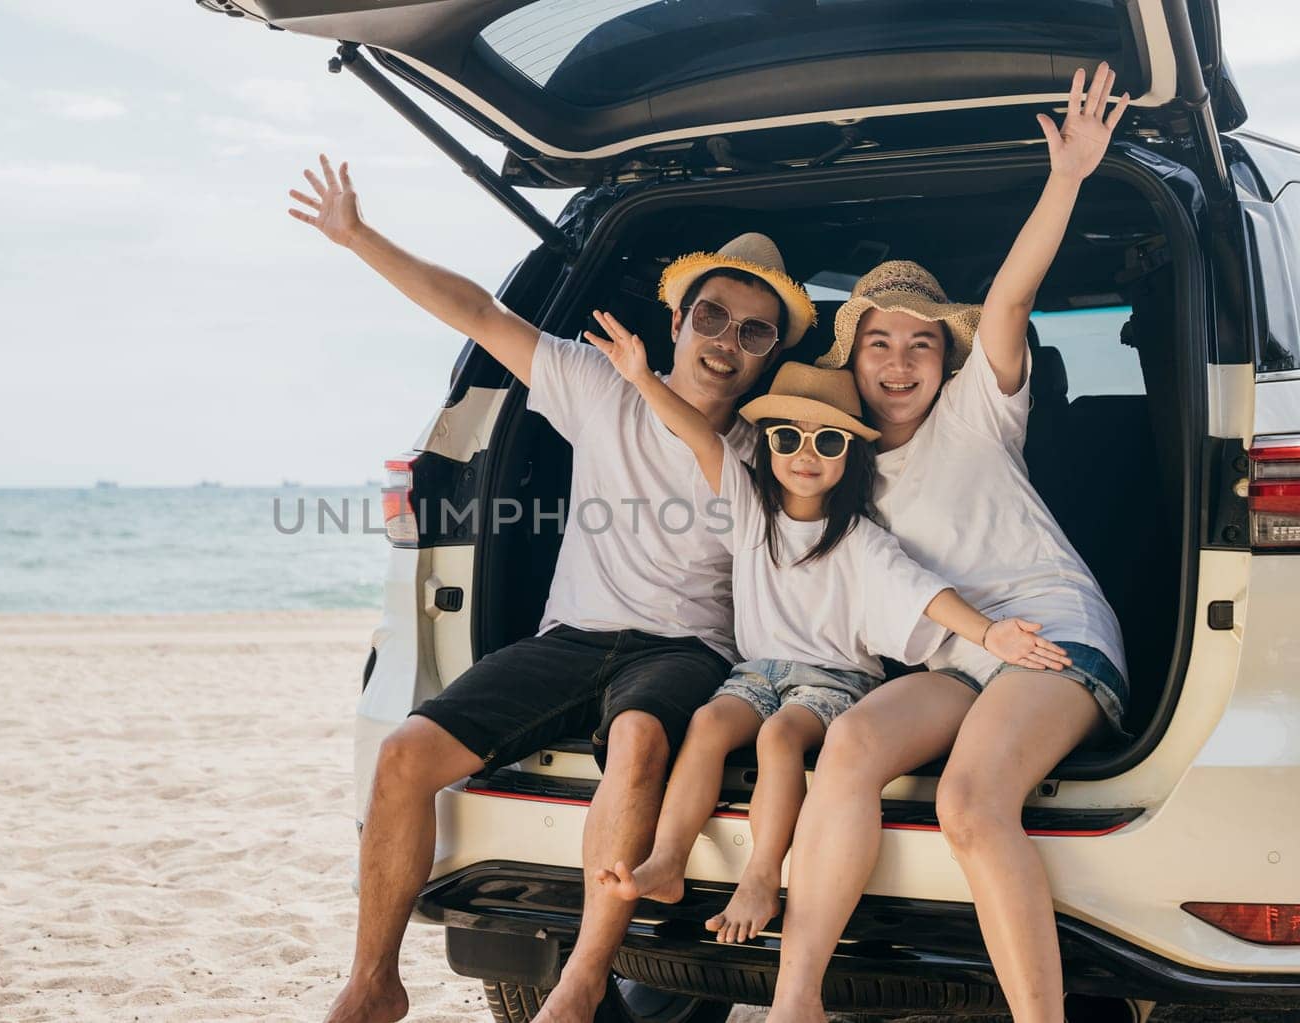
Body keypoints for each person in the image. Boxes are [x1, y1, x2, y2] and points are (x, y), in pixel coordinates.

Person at [286, 155, 819, 1023]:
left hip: (683, 650)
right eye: (713, 316)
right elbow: (478, 313)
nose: (726, 340)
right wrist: (357, 237)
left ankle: (580, 982)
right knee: (403, 758)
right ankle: (373, 980)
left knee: (642, 738)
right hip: (573, 636)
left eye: (754, 331)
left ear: (768, 356)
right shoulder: (600, 383)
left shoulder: (767, 451)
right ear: (678, 319)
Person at [761, 64, 1132, 1023]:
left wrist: (1069, 179)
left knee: (969, 804)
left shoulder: (979, 413)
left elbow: (1007, 302)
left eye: (921, 344)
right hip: (963, 656)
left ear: (945, 360)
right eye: (880, 342)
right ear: (853, 354)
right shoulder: (830, 458)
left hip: (1051, 636)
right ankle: (795, 1000)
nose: (899, 361)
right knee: (847, 745)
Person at [579, 317, 1069, 945]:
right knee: (706, 726)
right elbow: (697, 435)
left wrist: (990, 634)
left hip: (833, 681)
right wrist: (642, 377)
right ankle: (669, 860)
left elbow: (927, 594)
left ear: (851, 454)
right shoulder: (748, 508)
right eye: (787, 437)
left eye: (829, 443)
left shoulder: (862, 538)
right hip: (755, 673)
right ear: (766, 446)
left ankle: (761, 877)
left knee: (781, 739)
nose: (805, 455)